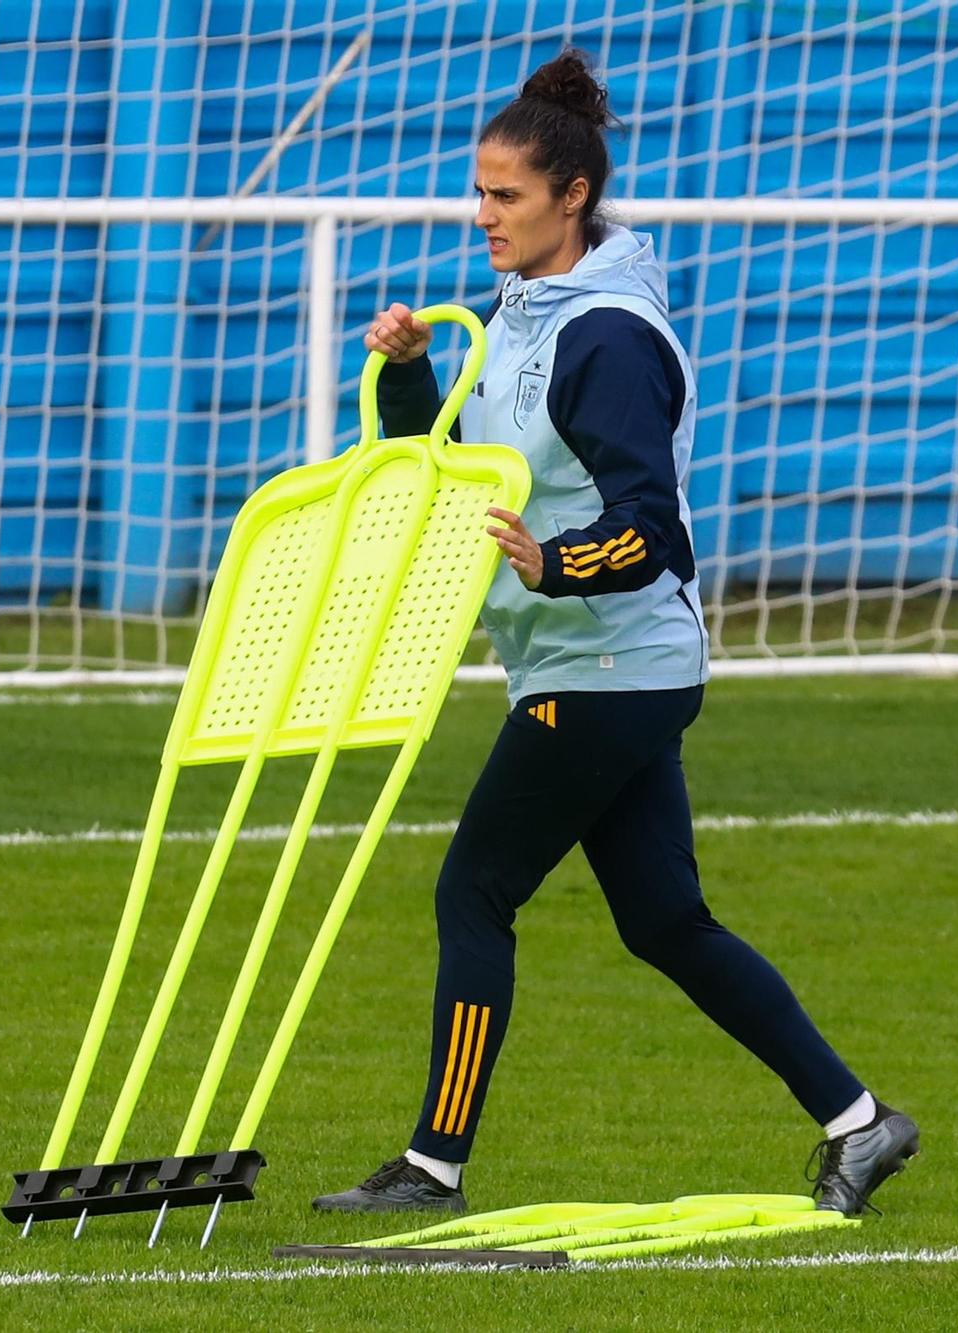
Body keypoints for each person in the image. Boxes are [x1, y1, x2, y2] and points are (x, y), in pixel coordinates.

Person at [311, 49, 919, 1218]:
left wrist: (558, 561)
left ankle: (432, 1165)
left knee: (474, 889)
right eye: (477, 192)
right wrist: (411, 372)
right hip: (583, 658)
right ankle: (860, 1122)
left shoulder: (607, 337)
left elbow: (651, 528)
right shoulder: (516, 314)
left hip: (612, 661)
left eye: (504, 196)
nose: (479, 214)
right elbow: (436, 461)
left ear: (570, 196)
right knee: (663, 921)